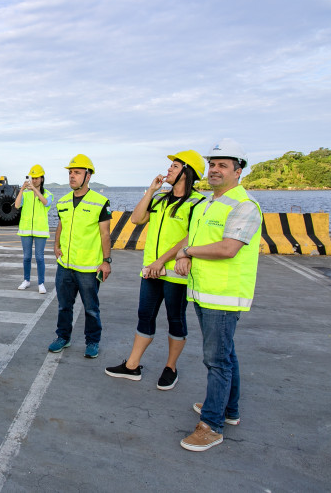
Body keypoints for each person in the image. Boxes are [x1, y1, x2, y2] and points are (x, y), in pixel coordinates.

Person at [173, 138, 262, 452]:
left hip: (223, 295)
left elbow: (228, 248)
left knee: (216, 360)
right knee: (226, 354)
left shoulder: (244, 205)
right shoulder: (209, 203)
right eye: (212, 164)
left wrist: (186, 251)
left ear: (239, 171)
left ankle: (211, 425)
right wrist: (185, 254)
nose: (214, 170)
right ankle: (230, 409)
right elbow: (194, 241)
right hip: (204, 292)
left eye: (223, 165)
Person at [105, 150, 207, 390]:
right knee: (145, 316)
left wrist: (161, 261)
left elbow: (190, 237)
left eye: (174, 166)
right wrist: (151, 190)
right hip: (150, 271)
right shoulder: (160, 199)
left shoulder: (198, 203)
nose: (169, 169)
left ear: (187, 171)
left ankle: (170, 368)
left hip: (175, 273)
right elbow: (136, 219)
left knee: (176, 319)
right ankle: (132, 365)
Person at [48, 154, 113, 359]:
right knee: (64, 306)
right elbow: (61, 224)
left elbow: (105, 234)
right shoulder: (63, 201)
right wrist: (56, 244)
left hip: (88, 267)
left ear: (88, 175)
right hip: (65, 265)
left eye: (76, 172)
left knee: (91, 308)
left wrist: (106, 261)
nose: (72, 176)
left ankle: (92, 341)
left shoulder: (100, 202)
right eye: (70, 172)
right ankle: (63, 337)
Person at [15, 164, 54, 294]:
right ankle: (26, 280)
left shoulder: (48, 194)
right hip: (25, 230)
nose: (34, 180)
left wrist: (35, 190)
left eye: (37, 178)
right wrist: (22, 190)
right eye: (33, 178)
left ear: (42, 179)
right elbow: (16, 205)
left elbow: (46, 202)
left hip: (40, 230)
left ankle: (41, 283)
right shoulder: (26, 194)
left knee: (39, 257)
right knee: (26, 257)